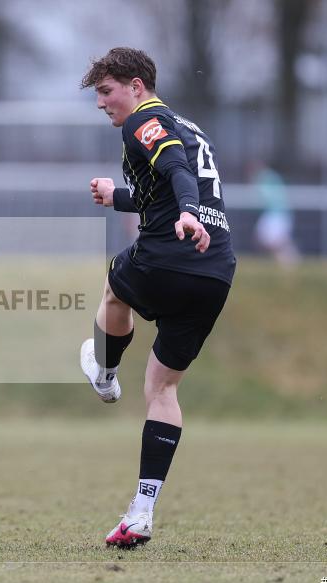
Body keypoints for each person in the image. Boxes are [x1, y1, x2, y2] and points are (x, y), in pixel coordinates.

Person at [78, 48, 236, 548]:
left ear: (137, 87)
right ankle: (141, 512)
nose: (101, 103)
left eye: (106, 91)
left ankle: (105, 375)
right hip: (215, 271)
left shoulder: (142, 121)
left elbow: (176, 172)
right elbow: (166, 185)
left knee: (113, 286)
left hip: (170, 253)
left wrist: (187, 212)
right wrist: (117, 196)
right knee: (162, 390)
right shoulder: (190, 127)